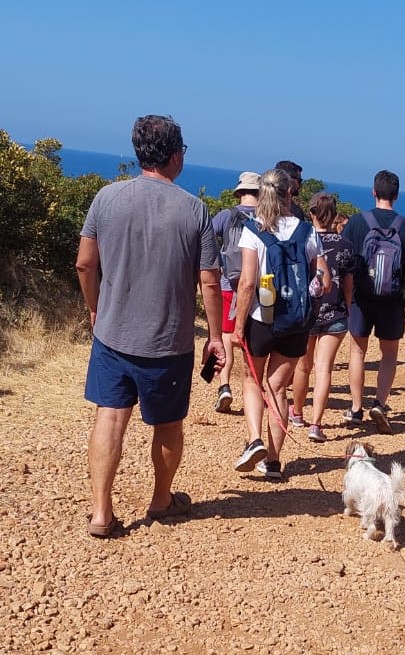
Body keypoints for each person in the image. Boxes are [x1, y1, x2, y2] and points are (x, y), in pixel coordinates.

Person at [75, 115, 225, 537]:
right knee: (168, 422)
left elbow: (85, 263)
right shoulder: (195, 210)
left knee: (110, 417)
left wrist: (95, 307)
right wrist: (215, 338)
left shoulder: (106, 198)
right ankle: (161, 499)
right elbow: (209, 281)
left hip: (113, 334)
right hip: (169, 341)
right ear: (175, 155)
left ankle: (101, 514)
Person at [232, 169, 330, 480]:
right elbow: (324, 280)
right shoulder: (306, 231)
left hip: (262, 319)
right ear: (291, 193)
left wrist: (237, 326)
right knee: (278, 387)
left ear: (263, 195)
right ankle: (273, 462)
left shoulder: (253, 230)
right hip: (296, 322)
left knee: (252, 379)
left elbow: (247, 283)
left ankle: (254, 440)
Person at [341, 170, 405, 434]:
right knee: (389, 355)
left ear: (373, 192)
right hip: (392, 300)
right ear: (396, 195)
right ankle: (379, 403)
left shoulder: (356, 223)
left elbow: (347, 266)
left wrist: (348, 299)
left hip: (362, 300)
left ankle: (355, 408)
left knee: (357, 352)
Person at [290, 192, 354, 442]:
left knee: (303, 365)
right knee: (324, 368)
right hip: (335, 314)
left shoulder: (303, 240)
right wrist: (347, 308)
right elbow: (349, 284)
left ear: (312, 213)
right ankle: (316, 424)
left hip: (306, 313)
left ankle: (296, 412)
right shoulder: (345, 245)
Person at [211, 171, 261, 413]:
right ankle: (254, 391)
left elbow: (206, 241)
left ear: (239, 192)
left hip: (227, 285)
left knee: (225, 336)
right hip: (257, 289)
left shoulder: (226, 216)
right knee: (249, 339)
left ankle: (224, 386)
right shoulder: (266, 219)